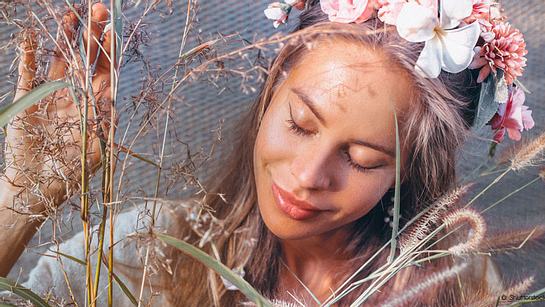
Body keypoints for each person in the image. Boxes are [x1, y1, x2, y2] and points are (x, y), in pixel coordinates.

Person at [0, 1, 508, 306]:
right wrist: (19, 200)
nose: (309, 176)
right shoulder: (141, 252)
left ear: (407, 170)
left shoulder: (456, 282)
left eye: (361, 159)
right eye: (300, 124)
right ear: (269, 96)